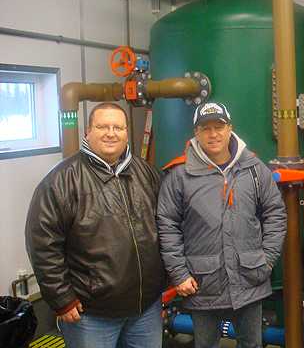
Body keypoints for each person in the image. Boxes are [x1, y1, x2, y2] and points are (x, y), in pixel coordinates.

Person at [25, 102, 164, 348]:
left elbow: (166, 228)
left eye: (117, 127)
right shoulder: (61, 181)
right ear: (87, 131)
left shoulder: (147, 174)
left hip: (145, 309)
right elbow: (43, 244)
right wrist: (62, 298)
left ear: (126, 132)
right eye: (102, 126)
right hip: (90, 314)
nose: (111, 133)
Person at [156, 101, 287, 348]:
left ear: (230, 128)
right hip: (202, 283)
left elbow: (275, 214)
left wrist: (267, 259)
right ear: (196, 133)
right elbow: (167, 225)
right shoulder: (179, 175)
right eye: (205, 128)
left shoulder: (254, 169)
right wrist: (180, 274)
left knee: (252, 344)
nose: (213, 134)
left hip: (250, 278)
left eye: (219, 126)